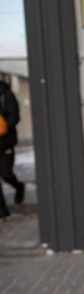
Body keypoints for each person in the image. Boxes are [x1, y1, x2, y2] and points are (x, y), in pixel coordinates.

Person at [0, 78, 24, 220]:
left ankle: (18, 186)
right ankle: (2, 212)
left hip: (5, 143)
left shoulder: (6, 94)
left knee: (6, 174)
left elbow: (14, 115)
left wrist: (5, 127)